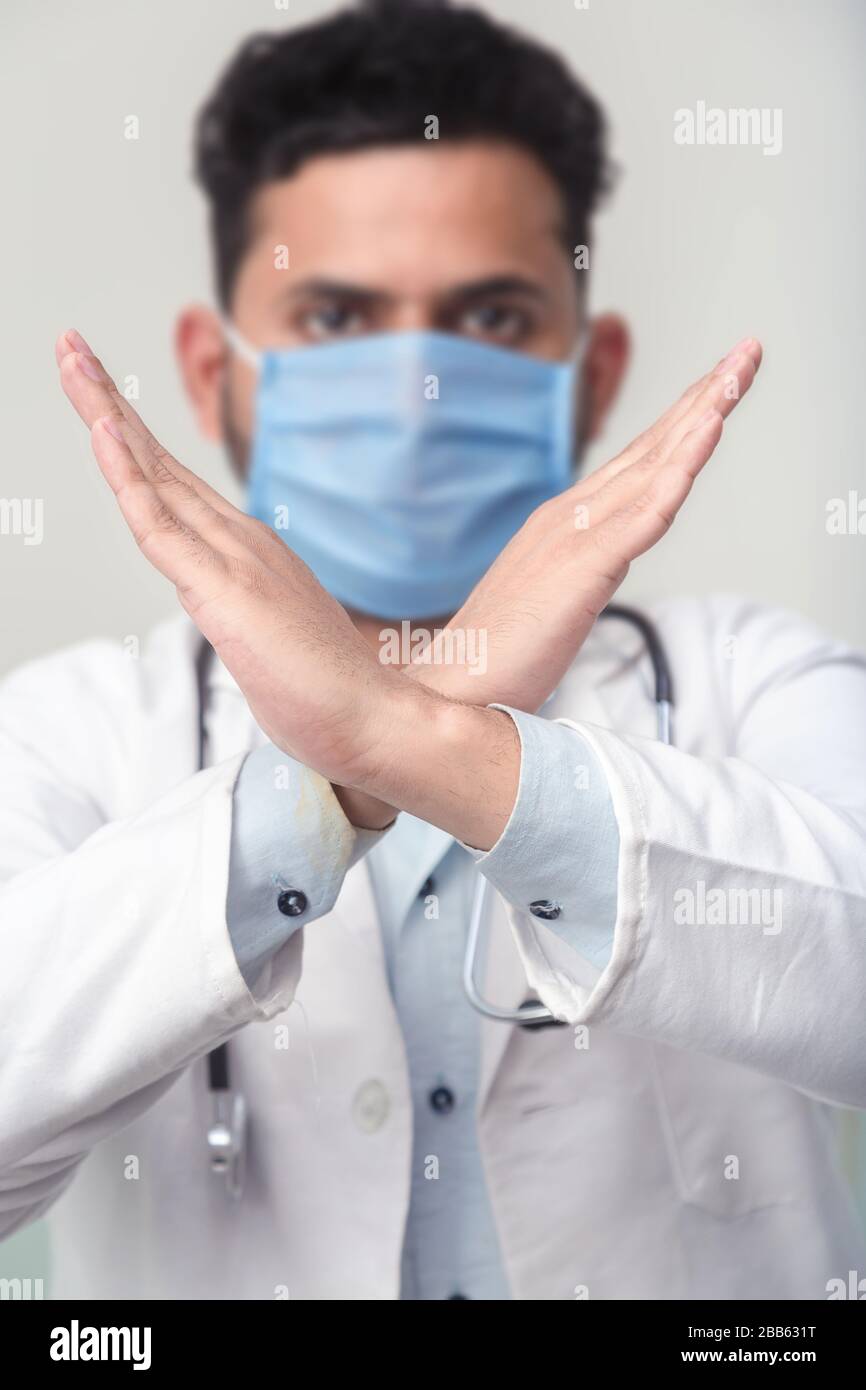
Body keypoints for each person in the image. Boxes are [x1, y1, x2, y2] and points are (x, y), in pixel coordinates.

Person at [2, 0, 865, 1301]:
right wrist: (324, 798)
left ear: (588, 374)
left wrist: (408, 735)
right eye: (338, 319)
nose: (417, 389)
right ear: (208, 370)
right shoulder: (69, 730)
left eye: (491, 320)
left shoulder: (750, 675)